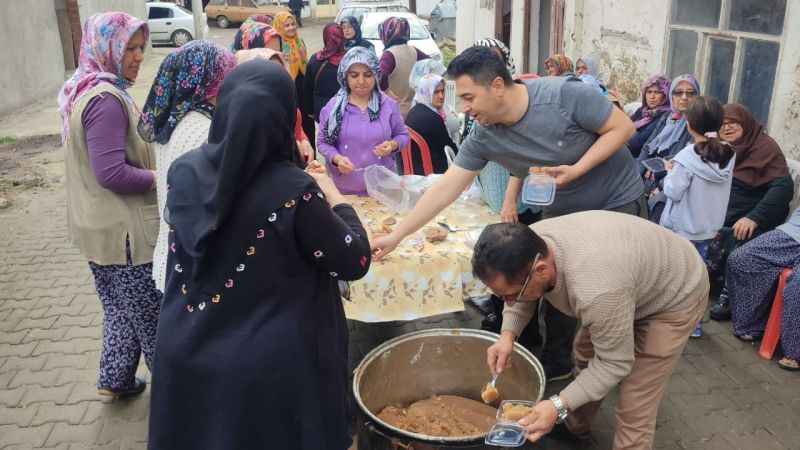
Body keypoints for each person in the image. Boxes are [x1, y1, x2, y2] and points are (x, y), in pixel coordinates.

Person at [372, 46, 645, 380]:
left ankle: (618, 362)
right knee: (554, 283)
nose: (464, 108)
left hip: (615, 203)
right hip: (563, 211)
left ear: (498, 86)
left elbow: (623, 128)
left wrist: (577, 169)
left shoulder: (565, 95)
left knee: (613, 289)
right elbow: (446, 188)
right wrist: (397, 236)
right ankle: (559, 363)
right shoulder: (484, 135)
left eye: (469, 97)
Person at [147, 59, 371, 450]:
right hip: (272, 375)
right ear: (283, 118)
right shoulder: (294, 191)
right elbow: (355, 260)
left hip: (188, 349)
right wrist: (337, 200)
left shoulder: (184, 174)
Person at [477, 213, 708, 448]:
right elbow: (520, 293)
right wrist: (507, 336)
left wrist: (556, 404)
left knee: (635, 403)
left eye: (510, 295)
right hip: (623, 282)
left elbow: (615, 363)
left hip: (674, 295)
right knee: (585, 356)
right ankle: (575, 429)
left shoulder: (596, 291)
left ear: (541, 270)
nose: (509, 303)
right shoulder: (526, 245)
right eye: (501, 296)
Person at [57, 12, 159, 399]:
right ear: (107, 47)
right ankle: (177, 399)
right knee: (152, 320)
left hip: (99, 229)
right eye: (129, 48)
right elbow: (111, 173)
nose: (138, 57)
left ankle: (115, 379)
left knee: (119, 308)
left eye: (140, 48)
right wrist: (159, 178)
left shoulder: (86, 88)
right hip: (124, 235)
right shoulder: (106, 101)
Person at [138, 40, 237, 293]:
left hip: (171, 256)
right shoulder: (204, 130)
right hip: (196, 269)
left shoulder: (172, 123)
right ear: (209, 83)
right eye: (227, 76)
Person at [707, 103, 794, 320]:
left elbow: (783, 188)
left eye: (733, 123)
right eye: (722, 124)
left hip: (750, 216)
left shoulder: (765, 147)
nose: (727, 127)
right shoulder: (720, 147)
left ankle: (728, 296)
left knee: (736, 235)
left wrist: (754, 217)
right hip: (721, 211)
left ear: (745, 123)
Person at [659, 96, 735, 338]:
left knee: (675, 276)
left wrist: (669, 172)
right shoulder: (729, 153)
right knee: (698, 277)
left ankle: (671, 323)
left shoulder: (686, 157)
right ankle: (695, 326)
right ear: (720, 124)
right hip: (708, 228)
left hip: (682, 230)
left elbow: (673, 191)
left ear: (689, 125)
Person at [317, 47, 409, 195]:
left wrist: (392, 145)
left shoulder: (388, 105)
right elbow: (323, 143)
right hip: (345, 189)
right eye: (354, 75)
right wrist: (337, 159)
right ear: (345, 77)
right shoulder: (333, 108)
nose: (361, 81)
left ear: (376, 75)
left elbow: (403, 135)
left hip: (383, 188)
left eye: (367, 75)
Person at [728, 207, 800, 371]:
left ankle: (794, 352)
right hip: (793, 233)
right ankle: (752, 324)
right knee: (741, 259)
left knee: (797, 285)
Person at [236, 48, 314, 163]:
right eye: (269, 75)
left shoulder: (286, 103)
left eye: (280, 73)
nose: (278, 81)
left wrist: (304, 142)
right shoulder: (241, 118)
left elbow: (297, 130)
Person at [273, 11, 314, 149]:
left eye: (293, 24)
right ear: (279, 27)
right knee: (293, 124)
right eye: (286, 25)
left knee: (307, 124)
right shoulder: (277, 45)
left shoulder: (299, 41)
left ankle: (311, 155)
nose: (291, 28)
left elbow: (305, 65)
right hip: (287, 88)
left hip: (302, 88)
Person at [403, 73, 458, 174]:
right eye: (436, 92)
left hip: (414, 169)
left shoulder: (413, 111)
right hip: (431, 173)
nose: (441, 96)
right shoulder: (433, 118)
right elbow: (452, 150)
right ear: (426, 92)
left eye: (442, 91)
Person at [638, 74, 699, 164]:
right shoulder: (668, 117)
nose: (684, 97)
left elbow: (682, 158)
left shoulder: (698, 121)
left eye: (690, 93)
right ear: (671, 97)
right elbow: (647, 147)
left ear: (697, 97)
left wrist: (657, 168)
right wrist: (640, 170)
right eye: (678, 93)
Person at [378, 17, 429, 117]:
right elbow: (433, 66)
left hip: (394, 111)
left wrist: (387, 91)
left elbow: (380, 76)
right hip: (414, 109)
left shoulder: (389, 55)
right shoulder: (414, 51)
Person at [304, 23, 346, 124]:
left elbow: (307, 88)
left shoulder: (315, 59)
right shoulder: (350, 59)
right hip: (345, 109)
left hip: (321, 108)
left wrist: (310, 110)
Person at [628, 75, 672, 158]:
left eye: (657, 92)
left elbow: (636, 143)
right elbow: (623, 126)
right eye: (649, 92)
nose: (652, 97)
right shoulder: (642, 110)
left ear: (665, 95)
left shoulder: (665, 116)